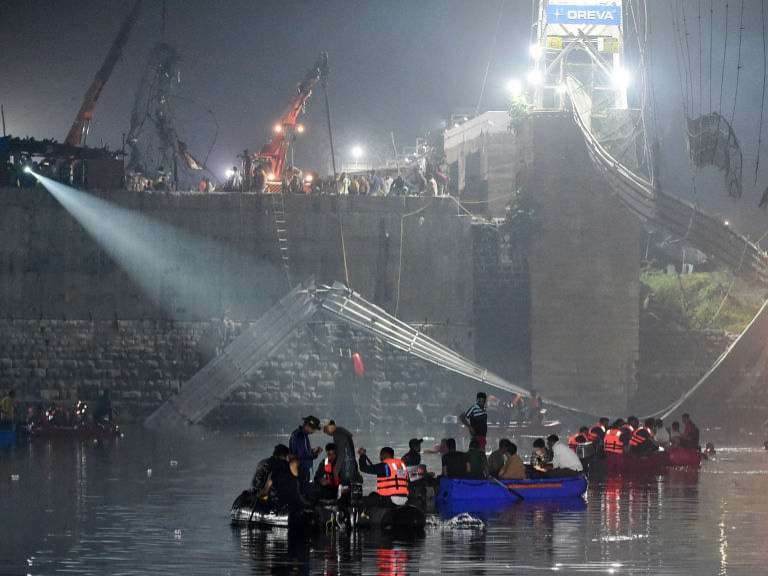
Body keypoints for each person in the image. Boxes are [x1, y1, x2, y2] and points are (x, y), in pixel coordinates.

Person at [289, 415, 323, 493]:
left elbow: (303, 452)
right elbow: (300, 455)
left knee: (304, 490)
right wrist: (314, 454)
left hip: (303, 469)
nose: (313, 431)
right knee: (302, 491)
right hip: (300, 470)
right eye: (313, 429)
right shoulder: (299, 435)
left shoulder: (304, 435)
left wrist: (312, 451)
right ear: (307, 426)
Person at [323, 420, 361, 484]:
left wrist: (336, 470)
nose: (328, 433)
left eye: (327, 430)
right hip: (350, 467)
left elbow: (341, 454)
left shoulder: (338, 435)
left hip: (346, 468)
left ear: (331, 427)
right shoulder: (342, 433)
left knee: (346, 486)